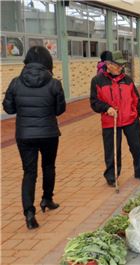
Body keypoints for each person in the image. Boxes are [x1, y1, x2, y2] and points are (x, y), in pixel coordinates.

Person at [2, 46, 66, 230]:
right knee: (48, 166)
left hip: (25, 135)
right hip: (49, 133)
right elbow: (59, 110)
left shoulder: (15, 82)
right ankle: (47, 199)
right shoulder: (54, 83)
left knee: (29, 172)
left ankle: (29, 213)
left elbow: (9, 109)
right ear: (48, 62)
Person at [90, 50, 140, 189]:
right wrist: (106, 108)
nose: (121, 68)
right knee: (112, 150)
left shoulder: (127, 80)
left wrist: (135, 113)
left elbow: (136, 98)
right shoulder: (97, 81)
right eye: (118, 65)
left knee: (136, 147)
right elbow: (94, 102)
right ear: (108, 65)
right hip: (111, 121)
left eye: (122, 65)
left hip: (130, 119)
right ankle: (111, 176)